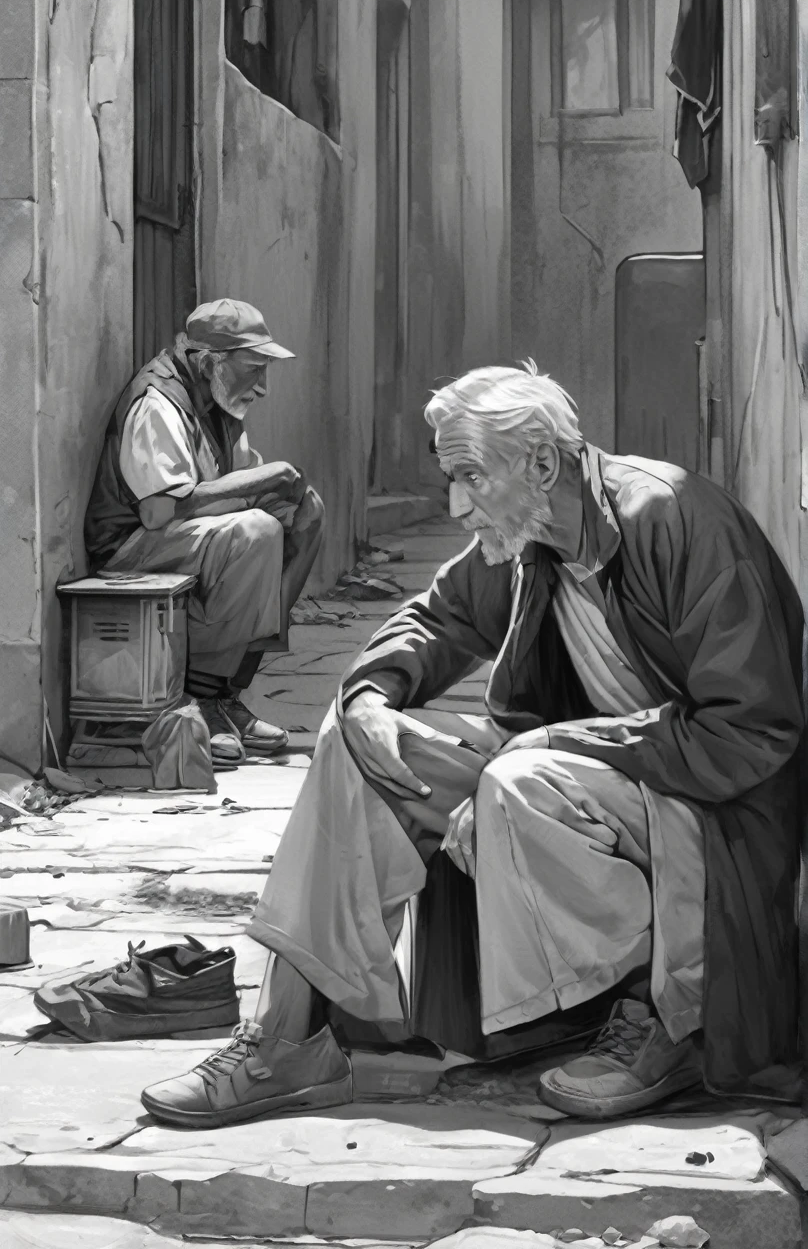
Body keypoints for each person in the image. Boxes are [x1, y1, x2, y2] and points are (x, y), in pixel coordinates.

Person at [141, 362, 804, 1127]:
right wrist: (369, 697)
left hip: (708, 822)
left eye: (470, 477)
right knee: (362, 745)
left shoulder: (675, 520)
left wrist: (556, 743)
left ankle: (663, 1022)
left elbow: (752, 732)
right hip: (582, 792)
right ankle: (287, 1040)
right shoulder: (529, 536)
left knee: (521, 778)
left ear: (542, 463)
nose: (456, 504)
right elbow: (437, 619)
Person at [84, 299, 325, 761]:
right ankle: (203, 695)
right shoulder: (157, 401)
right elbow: (158, 511)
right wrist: (264, 479)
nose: (263, 387)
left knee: (304, 513)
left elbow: (231, 484)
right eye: (255, 368)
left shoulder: (217, 400)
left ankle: (231, 684)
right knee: (255, 532)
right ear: (213, 362)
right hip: (129, 548)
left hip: (180, 536)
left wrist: (283, 494)